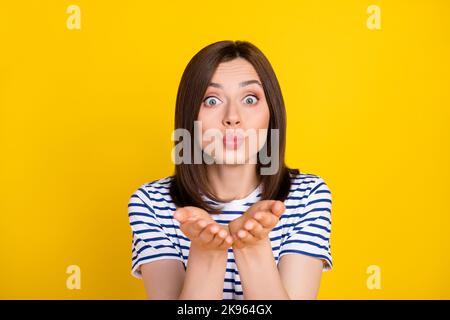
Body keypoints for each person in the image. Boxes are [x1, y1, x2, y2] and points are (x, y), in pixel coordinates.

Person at [127, 40, 332, 300]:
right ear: (189, 116)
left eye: (249, 99)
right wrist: (207, 253)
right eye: (212, 100)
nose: (232, 117)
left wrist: (253, 247)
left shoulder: (307, 196)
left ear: (272, 114)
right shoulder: (151, 204)